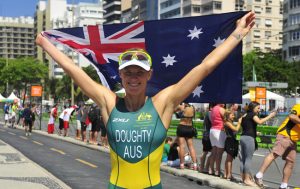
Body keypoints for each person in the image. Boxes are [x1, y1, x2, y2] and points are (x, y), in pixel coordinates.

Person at [36, 11, 255, 188]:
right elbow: (73, 69)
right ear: (120, 75)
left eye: (139, 72)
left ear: (149, 75)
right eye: (128, 72)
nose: (133, 78)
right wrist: (46, 44)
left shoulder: (163, 103)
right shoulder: (109, 103)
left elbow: (205, 67)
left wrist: (237, 34)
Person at [254, 104, 300, 189]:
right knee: (274, 154)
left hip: (294, 140)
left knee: (290, 162)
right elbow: (291, 116)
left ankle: (283, 186)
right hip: (285, 135)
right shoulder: (299, 106)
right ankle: (259, 175)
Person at [239, 101, 276, 186]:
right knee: (248, 159)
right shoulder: (253, 115)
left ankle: (243, 178)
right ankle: (247, 180)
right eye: (258, 108)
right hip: (249, 139)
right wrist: (270, 116)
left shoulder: (244, 115)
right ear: (253, 107)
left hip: (243, 137)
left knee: (243, 159)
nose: (259, 110)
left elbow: (247, 126)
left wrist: (255, 132)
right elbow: (259, 122)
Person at [175, 103, 198, 170]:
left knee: (182, 146)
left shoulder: (181, 106)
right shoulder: (193, 108)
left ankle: (182, 164)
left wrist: (180, 108)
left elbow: (174, 112)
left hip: (182, 126)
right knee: (191, 146)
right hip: (189, 127)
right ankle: (195, 164)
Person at [223, 109, 241, 181]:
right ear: (228, 116)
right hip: (230, 141)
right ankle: (228, 175)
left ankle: (227, 173)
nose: (234, 116)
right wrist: (239, 123)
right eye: (232, 115)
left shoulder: (230, 122)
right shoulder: (227, 123)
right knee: (229, 159)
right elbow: (235, 129)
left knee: (229, 159)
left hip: (231, 140)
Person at [208, 103, 225, 177]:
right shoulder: (221, 109)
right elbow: (227, 118)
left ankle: (211, 169)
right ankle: (217, 170)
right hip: (219, 130)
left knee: (214, 151)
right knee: (219, 153)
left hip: (212, 130)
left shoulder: (213, 109)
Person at [199, 103, 214, 173]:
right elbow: (213, 122)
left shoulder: (207, 113)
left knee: (206, 152)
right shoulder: (210, 113)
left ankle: (203, 168)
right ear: (211, 107)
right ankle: (205, 167)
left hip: (206, 134)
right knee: (210, 152)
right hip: (208, 135)